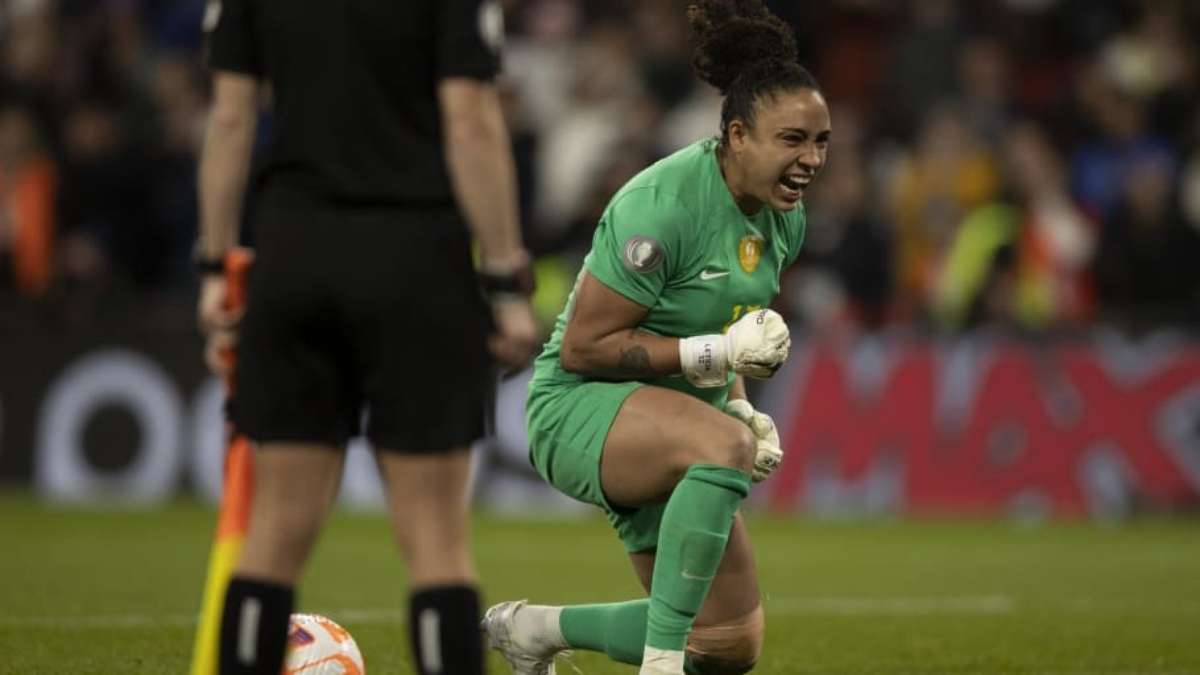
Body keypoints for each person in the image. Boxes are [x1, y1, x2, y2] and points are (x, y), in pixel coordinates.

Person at [482, 2, 831, 674]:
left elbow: (729, 331)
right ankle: (659, 665)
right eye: (792, 139)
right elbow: (584, 348)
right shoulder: (664, 205)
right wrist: (718, 374)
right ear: (736, 135)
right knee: (718, 450)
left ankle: (532, 629)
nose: (810, 159)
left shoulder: (785, 221)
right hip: (579, 407)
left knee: (727, 646)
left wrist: (739, 405)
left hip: (673, 423)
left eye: (820, 141)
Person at [194, 1, 538, 674]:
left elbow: (231, 118)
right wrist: (503, 275)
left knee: (273, 533)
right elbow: (470, 119)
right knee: (436, 539)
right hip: (416, 258)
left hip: (295, 251)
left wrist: (214, 267)